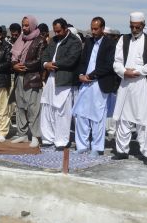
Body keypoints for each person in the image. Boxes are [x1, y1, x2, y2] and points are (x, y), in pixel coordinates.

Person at [111, 12, 147, 165]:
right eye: (132, 27)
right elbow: (117, 61)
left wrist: (138, 71)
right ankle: (122, 151)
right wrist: (124, 71)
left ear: (143, 26)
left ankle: (146, 153)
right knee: (123, 119)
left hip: (142, 84)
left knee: (143, 120)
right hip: (126, 83)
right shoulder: (123, 39)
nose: (134, 30)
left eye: (137, 27)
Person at [72, 17, 118, 156]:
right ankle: (82, 145)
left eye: (96, 29)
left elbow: (109, 65)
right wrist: (81, 75)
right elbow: (83, 61)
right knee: (81, 114)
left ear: (102, 28)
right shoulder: (89, 42)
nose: (93, 31)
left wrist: (91, 76)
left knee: (97, 116)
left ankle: (97, 147)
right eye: (92, 28)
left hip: (99, 83)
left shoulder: (110, 44)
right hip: (85, 83)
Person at [40, 18, 82, 149]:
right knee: (47, 107)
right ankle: (48, 138)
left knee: (62, 111)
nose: (57, 33)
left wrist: (54, 64)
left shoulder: (74, 42)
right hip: (51, 78)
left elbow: (71, 60)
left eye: (59, 31)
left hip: (64, 79)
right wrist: (45, 64)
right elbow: (45, 54)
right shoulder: (54, 40)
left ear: (65, 29)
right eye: (55, 31)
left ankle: (61, 141)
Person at [10, 15, 47, 147]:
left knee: (33, 108)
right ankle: (22, 134)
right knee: (20, 106)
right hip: (19, 77)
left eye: (26, 25)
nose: (24, 28)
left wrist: (24, 66)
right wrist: (14, 65)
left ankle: (36, 135)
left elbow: (39, 60)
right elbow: (13, 56)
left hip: (32, 78)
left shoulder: (40, 40)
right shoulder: (20, 39)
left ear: (32, 25)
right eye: (23, 25)